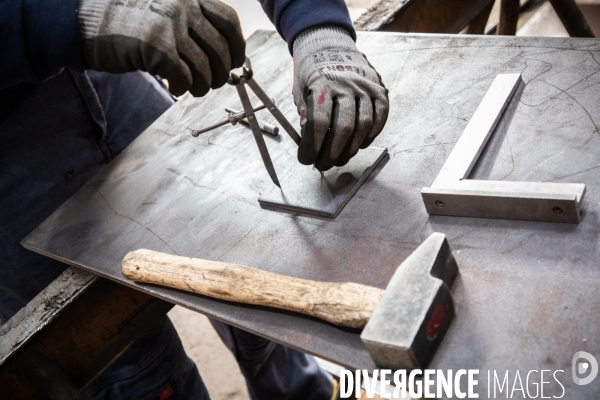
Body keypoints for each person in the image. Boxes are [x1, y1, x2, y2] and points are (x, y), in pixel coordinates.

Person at [0, 0, 389, 398]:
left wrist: (318, 29)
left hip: (112, 77)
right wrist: (65, 21)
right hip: (12, 146)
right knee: (128, 361)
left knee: (249, 256)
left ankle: (300, 390)